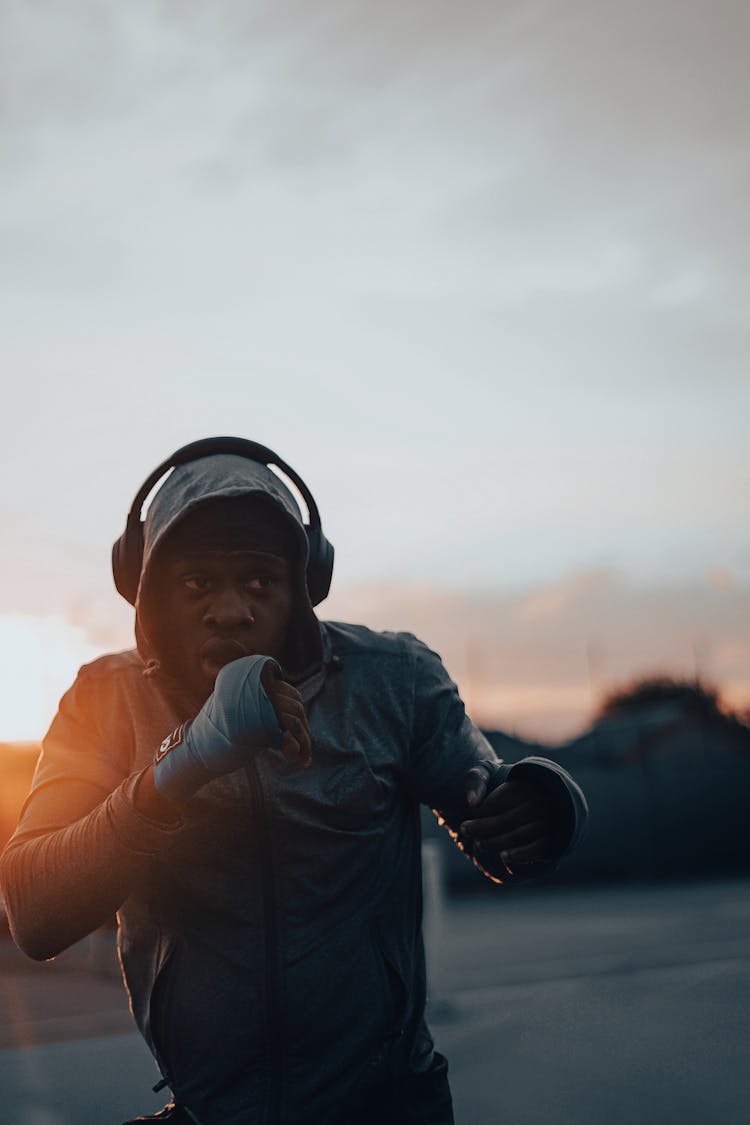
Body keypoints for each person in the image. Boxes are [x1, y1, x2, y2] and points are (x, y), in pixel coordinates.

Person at [0, 437, 587, 1125]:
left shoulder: (392, 677)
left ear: (303, 584)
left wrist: (544, 805)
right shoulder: (104, 698)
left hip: (390, 1108)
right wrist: (181, 765)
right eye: (197, 583)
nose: (230, 610)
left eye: (258, 581)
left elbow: (495, 809)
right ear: (147, 589)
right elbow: (34, 914)